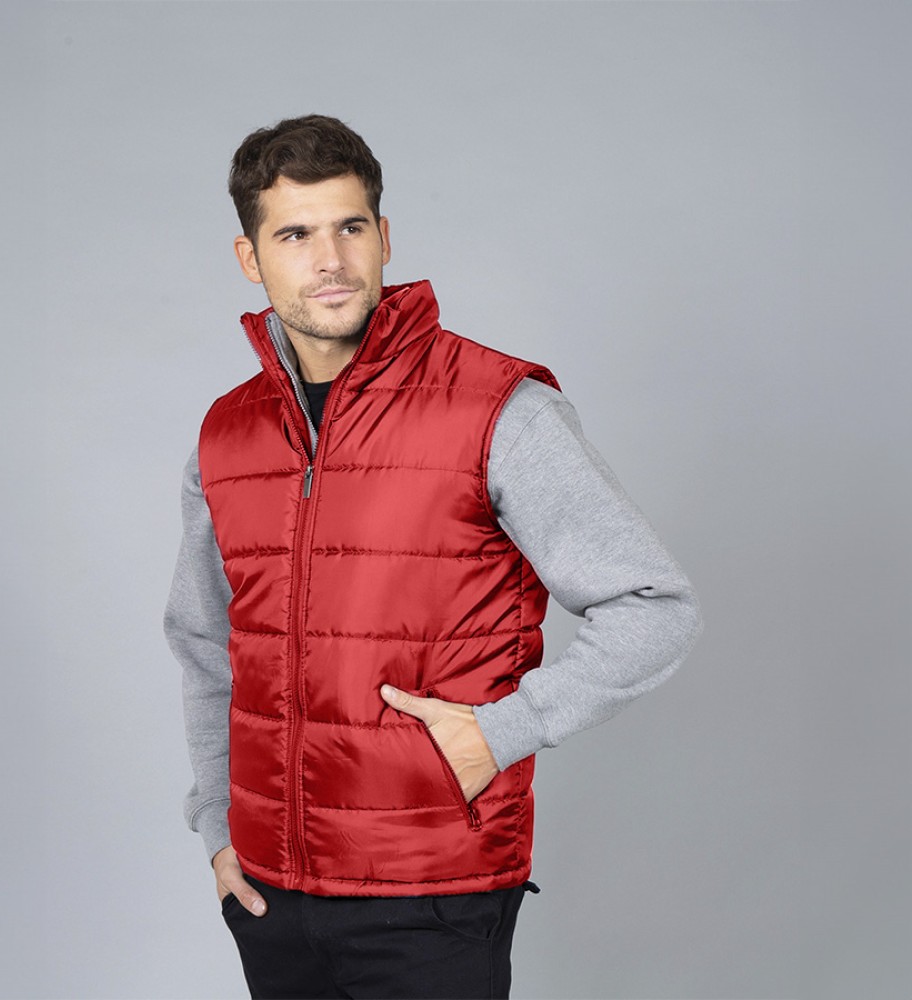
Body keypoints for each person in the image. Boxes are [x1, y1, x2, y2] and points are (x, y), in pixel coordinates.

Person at [163, 114, 702, 999]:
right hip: (269, 895)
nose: (330, 259)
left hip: (433, 893)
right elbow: (204, 641)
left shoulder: (496, 410)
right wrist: (219, 824)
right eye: (294, 235)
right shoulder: (227, 434)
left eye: (350, 227)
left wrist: (504, 732)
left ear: (384, 237)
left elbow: (655, 605)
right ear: (250, 258)